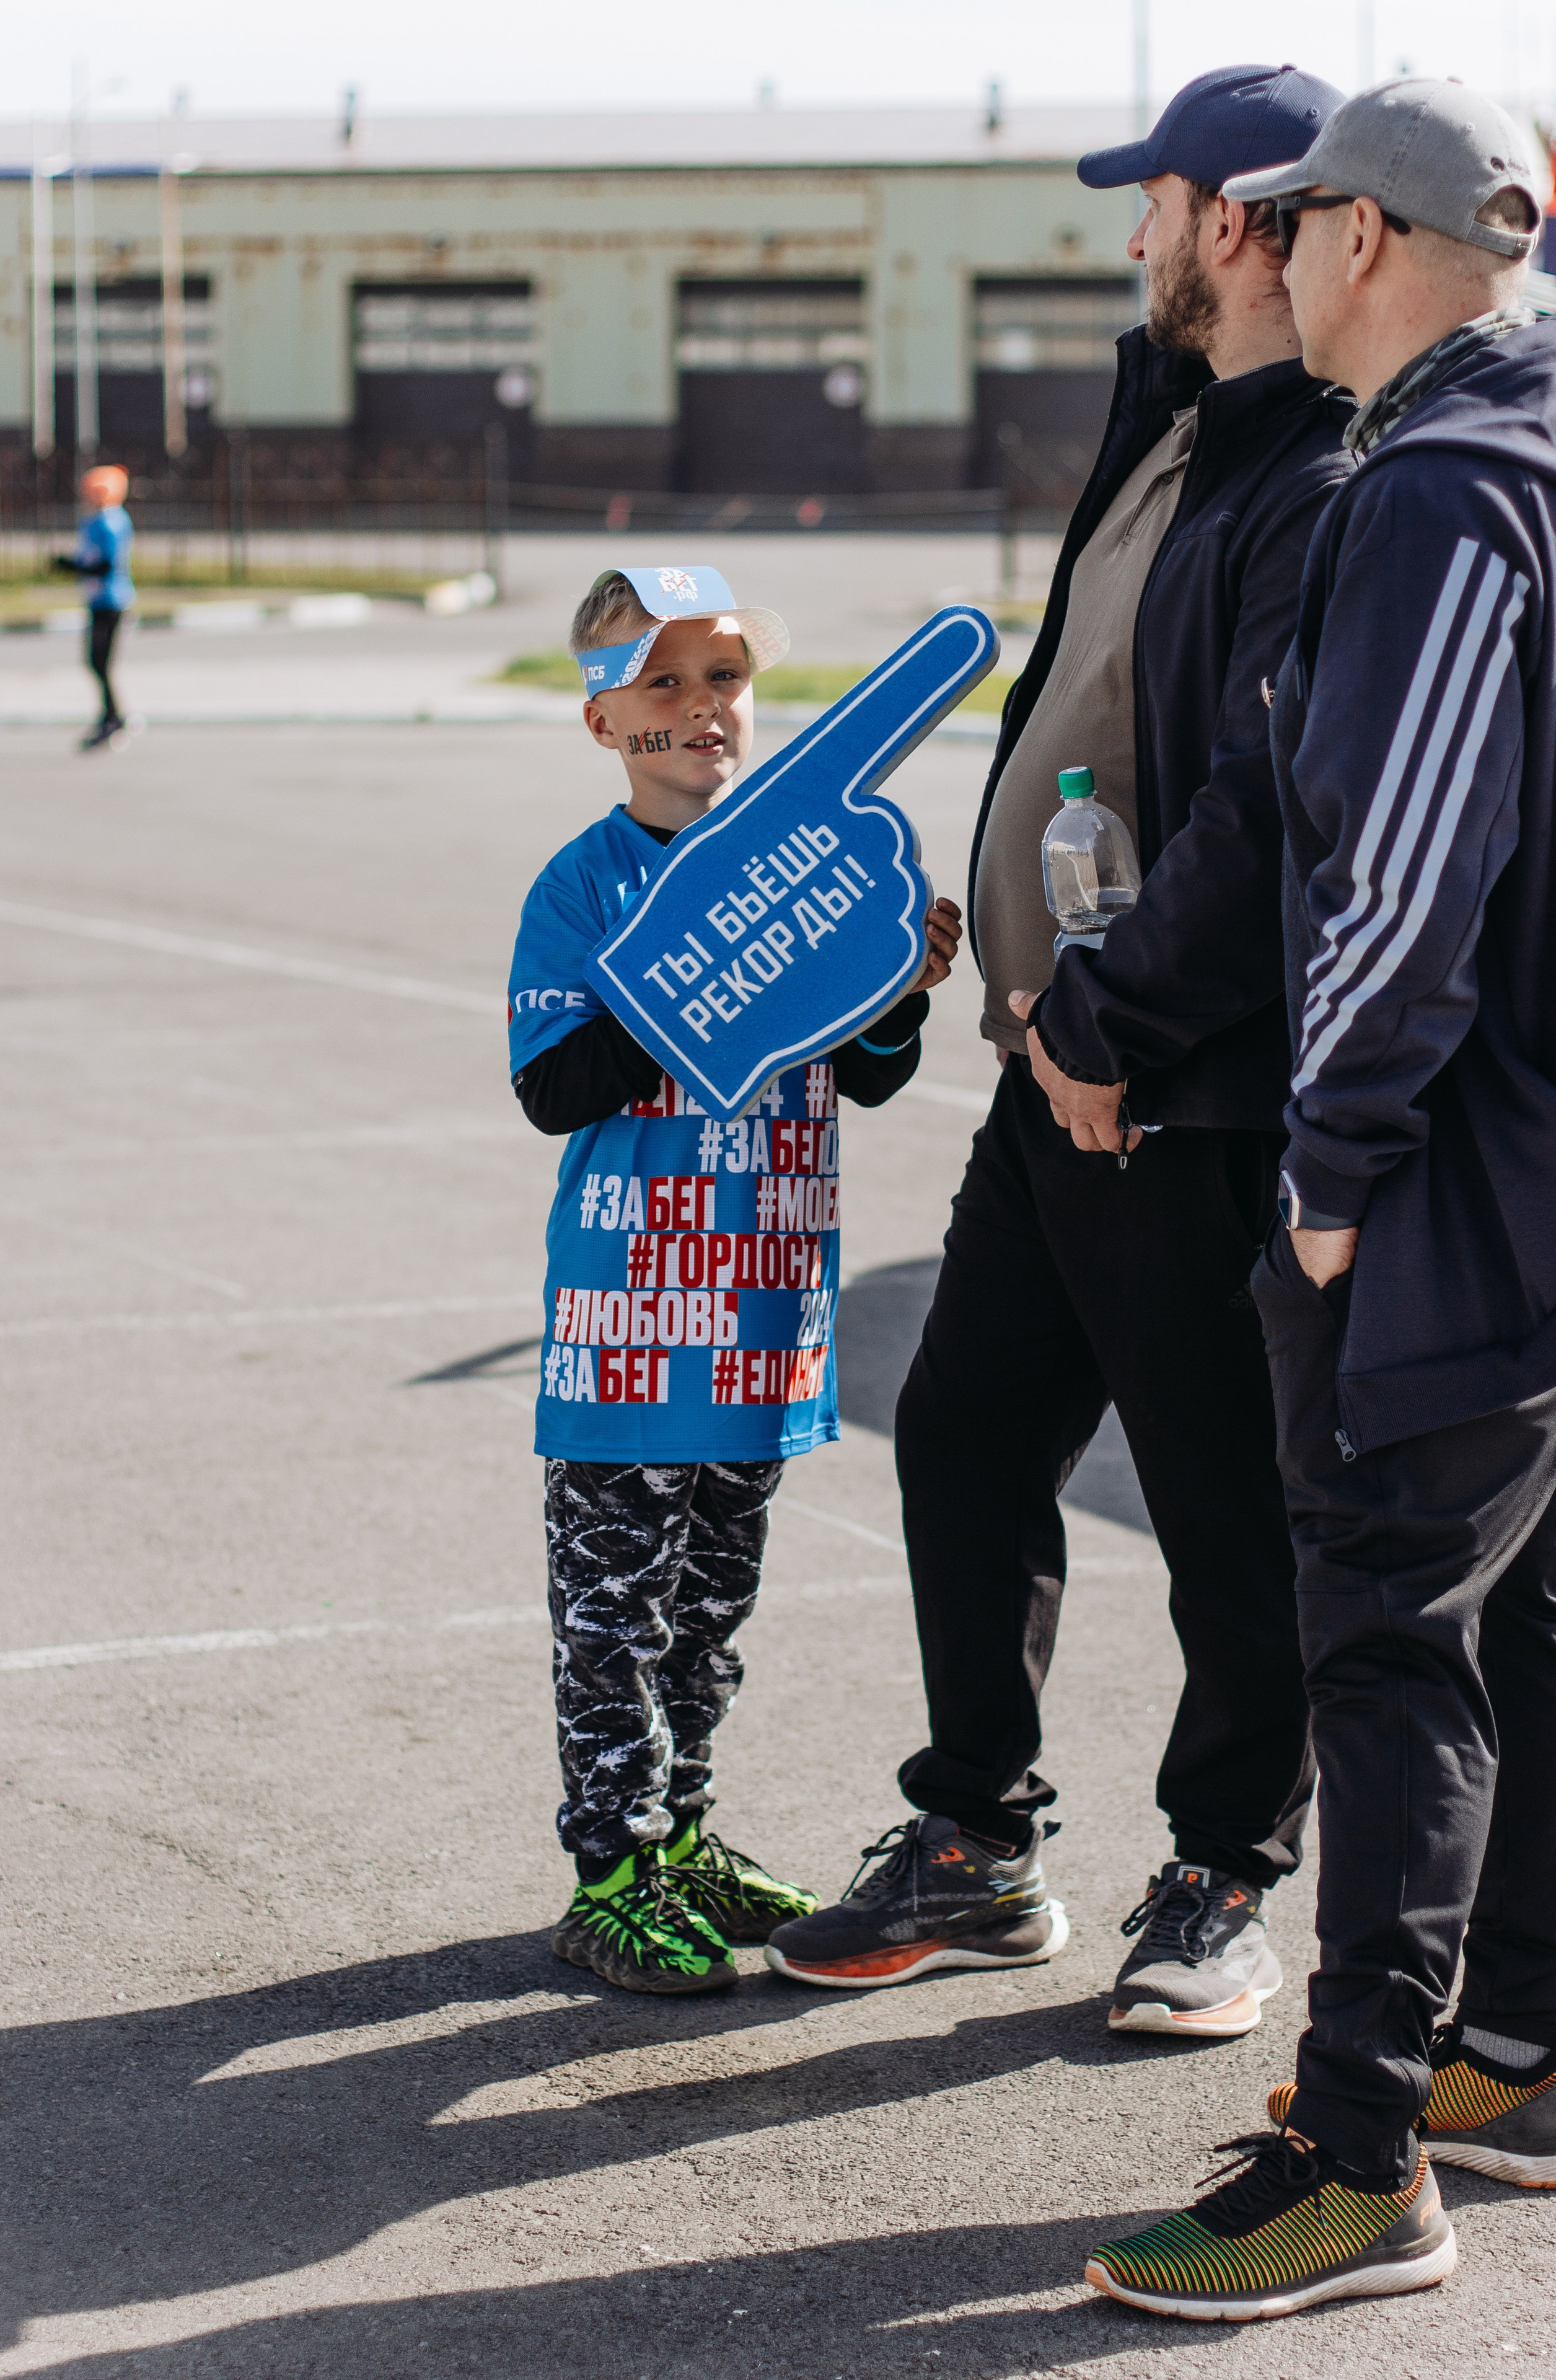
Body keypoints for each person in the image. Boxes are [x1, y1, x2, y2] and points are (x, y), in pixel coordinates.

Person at [767, 64, 1353, 2030]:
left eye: (1159, 199)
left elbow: (1260, 799)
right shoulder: (1170, 423)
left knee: (1216, 1503)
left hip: (1175, 1085)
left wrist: (1107, 1018)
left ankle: (1221, 1873)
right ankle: (977, 1837)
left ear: (1245, 220)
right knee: (958, 1435)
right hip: (1055, 1068)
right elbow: (1084, 714)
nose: (1133, 234)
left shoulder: (1319, 472)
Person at [1089, 79, 1556, 2320]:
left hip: (1450, 1188)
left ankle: (1357, 2159)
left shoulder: (1450, 491)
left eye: (1293, 224)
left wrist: (1335, 1168)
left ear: (1358, 236)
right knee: (1501, 1619)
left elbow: (1391, 861)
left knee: (1383, 1636)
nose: (1268, 255)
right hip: (1510, 1178)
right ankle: (1521, 2046)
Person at [509, 563, 963, 1994]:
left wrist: (888, 987)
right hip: (631, 1319)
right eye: (665, 683)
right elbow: (552, 1081)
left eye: (723, 678)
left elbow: (867, 1079)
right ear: (604, 723)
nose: (703, 707)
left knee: (708, 1610)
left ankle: (682, 1833)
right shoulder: (583, 883)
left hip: (768, 1307)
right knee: (612, 1612)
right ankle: (609, 1871)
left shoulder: (809, 874)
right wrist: (696, 969)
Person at [53, 464, 134, 751]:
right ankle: (110, 716)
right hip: (97, 599)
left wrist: (73, 567)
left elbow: (105, 564)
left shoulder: (111, 522)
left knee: (99, 661)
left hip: (111, 600)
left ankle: (113, 717)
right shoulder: (93, 521)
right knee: (96, 662)